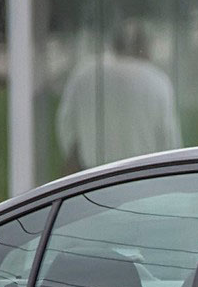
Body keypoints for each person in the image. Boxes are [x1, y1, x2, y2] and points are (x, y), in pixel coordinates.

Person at [54, 19, 182, 174]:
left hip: (93, 177)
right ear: (145, 47)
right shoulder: (157, 81)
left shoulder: (85, 73)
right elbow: (170, 142)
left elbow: (66, 125)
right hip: (143, 178)